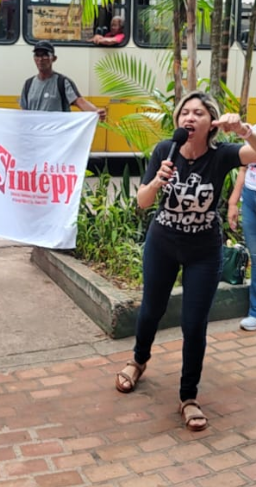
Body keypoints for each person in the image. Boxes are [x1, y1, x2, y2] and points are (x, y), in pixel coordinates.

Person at [115, 91, 256, 431]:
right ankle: (138, 360)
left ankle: (188, 396)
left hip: (203, 250)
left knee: (194, 324)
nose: (189, 118)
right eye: (185, 113)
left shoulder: (222, 155)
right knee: (151, 309)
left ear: (212, 123)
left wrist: (246, 132)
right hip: (163, 242)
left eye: (198, 113)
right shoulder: (166, 150)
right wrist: (157, 180)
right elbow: (143, 202)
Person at [20, 40, 106, 119]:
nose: (40, 59)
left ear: (54, 58)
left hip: (56, 134)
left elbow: (80, 102)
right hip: (35, 134)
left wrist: (96, 112)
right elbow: (24, 113)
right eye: (37, 55)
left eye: (45, 55)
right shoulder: (28, 84)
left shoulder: (62, 82)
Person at [228, 162, 256, 331]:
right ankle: (254, 312)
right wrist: (233, 202)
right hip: (250, 198)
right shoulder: (250, 134)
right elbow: (244, 168)